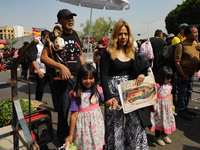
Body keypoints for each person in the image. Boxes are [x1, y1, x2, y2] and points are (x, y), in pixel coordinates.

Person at [100, 19, 151, 150]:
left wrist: (142, 74)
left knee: (136, 123)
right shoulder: (107, 51)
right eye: (120, 34)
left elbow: (143, 66)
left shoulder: (132, 50)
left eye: (126, 34)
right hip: (113, 93)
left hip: (131, 92)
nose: (123, 37)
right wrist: (107, 96)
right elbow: (103, 75)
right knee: (114, 126)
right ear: (115, 35)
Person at [40, 9, 85, 143]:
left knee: (79, 109)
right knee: (64, 110)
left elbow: (80, 55)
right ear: (59, 21)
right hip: (63, 80)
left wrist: (85, 73)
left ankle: (76, 135)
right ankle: (63, 139)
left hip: (78, 78)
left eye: (72, 17)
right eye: (67, 18)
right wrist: (61, 67)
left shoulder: (76, 34)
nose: (71, 20)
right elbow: (43, 57)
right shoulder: (55, 36)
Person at [65, 63, 105, 150]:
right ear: (80, 79)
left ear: (95, 78)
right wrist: (70, 135)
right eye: (84, 78)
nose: (88, 81)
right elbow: (74, 115)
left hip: (96, 127)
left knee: (96, 146)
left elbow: (105, 101)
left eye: (91, 78)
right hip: (83, 129)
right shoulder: (76, 94)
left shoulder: (98, 90)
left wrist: (113, 102)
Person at [173, 25, 199, 121]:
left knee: (188, 92)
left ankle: (185, 107)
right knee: (182, 92)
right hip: (183, 74)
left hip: (192, 74)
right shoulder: (181, 45)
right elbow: (177, 61)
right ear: (188, 35)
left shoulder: (196, 43)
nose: (197, 34)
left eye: (197, 32)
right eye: (195, 32)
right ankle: (181, 109)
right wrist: (183, 75)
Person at [150, 66, 176, 146]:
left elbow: (170, 95)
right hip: (159, 109)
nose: (169, 80)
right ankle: (157, 137)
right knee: (158, 122)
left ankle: (164, 135)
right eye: (167, 78)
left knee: (166, 121)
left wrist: (172, 105)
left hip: (167, 108)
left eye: (170, 78)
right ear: (162, 76)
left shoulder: (169, 85)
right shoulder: (157, 86)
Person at [30, 30, 56, 108]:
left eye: (49, 38)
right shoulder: (36, 45)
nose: (48, 40)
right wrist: (38, 70)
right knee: (40, 90)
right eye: (46, 38)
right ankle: (37, 106)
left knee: (54, 89)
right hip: (41, 71)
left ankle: (57, 107)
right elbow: (33, 59)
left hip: (50, 71)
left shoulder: (51, 45)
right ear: (42, 37)